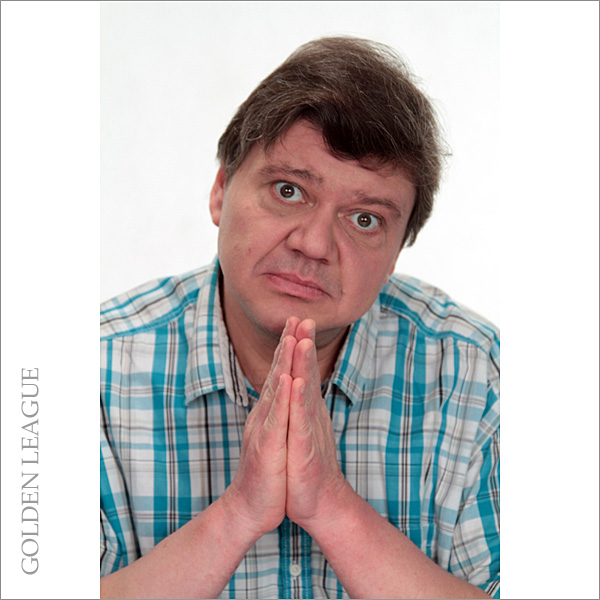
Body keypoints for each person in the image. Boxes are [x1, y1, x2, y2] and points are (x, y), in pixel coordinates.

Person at [100, 36, 499, 599]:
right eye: (288, 190)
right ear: (220, 190)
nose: (314, 244)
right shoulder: (91, 370)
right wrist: (238, 513)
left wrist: (333, 507)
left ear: (396, 253)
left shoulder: (475, 373)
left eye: (364, 219)